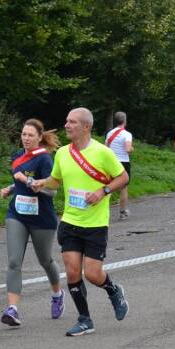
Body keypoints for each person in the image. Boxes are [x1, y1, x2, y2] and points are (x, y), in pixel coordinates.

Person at [31, 107, 129, 336]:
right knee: (73, 272)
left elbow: (123, 177)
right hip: (70, 221)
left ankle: (113, 290)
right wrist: (42, 183)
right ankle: (85, 319)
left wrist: (103, 191)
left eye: (72, 122)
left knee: (93, 274)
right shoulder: (63, 153)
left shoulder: (102, 152)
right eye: (66, 121)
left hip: (95, 224)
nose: (67, 125)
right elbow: (57, 181)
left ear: (86, 126)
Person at [0, 119, 64, 327]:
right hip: (17, 214)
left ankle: (57, 294)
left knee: (45, 260)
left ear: (39, 137)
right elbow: (20, 178)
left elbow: (52, 191)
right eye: (23, 134)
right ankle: (12, 309)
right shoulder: (18, 156)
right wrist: (11, 188)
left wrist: (27, 183)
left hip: (42, 218)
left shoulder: (45, 160)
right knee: (14, 261)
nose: (26, 138)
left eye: (30, 135)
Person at [104, 111, 134, 220]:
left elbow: (105, 148)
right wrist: (131, 149)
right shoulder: (127, 134)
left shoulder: (110, 133)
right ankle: (122, 212)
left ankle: (102, 211)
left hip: (111, 162)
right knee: (123, 188)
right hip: (123, 162)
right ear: (124, 121)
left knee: (109, 187)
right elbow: (127, 149)